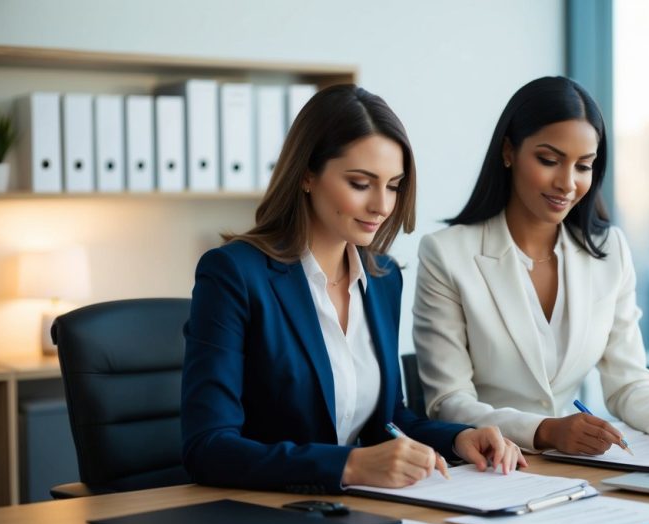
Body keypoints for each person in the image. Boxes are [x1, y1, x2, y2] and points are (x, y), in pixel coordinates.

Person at [182, 84, 525, 493]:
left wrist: (457, 438)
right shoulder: (234, 274)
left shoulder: (383, 277)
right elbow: (209, 447)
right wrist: (349, 465)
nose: (382, 205)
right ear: (307, 174)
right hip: (264, 515)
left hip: (349, 511)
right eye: (361, 183)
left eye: (394, 185)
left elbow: (387, 419)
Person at [413, 76, 649, 455]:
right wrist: (545, 431)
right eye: (549, 160)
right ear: (509, 151)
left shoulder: (609, 250)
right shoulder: (446, 254)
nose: (567, 183)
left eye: (584, 166)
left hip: (572, 471)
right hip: (485, 468)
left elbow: (628, 383)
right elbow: (448, 401)